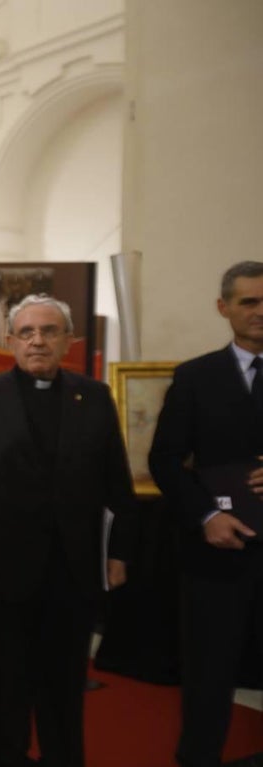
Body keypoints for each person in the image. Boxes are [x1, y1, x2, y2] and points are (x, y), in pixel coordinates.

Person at [0, 293, 135, 767]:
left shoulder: (94, 397)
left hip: (74, 569)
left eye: (49, 331)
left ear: (69, 340)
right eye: (27, 332)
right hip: (0, 568)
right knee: (3, 682)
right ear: (10, 341)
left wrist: (120, 553)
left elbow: (118, 481)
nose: (38, 341)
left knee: (64, 682)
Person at [149, 261, 263, 767]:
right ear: (224, 308)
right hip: (217, 554)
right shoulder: (195, 377)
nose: (260, 312)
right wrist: (205, 518)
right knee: (209, 677)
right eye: (249, 302)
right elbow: (164, 459)